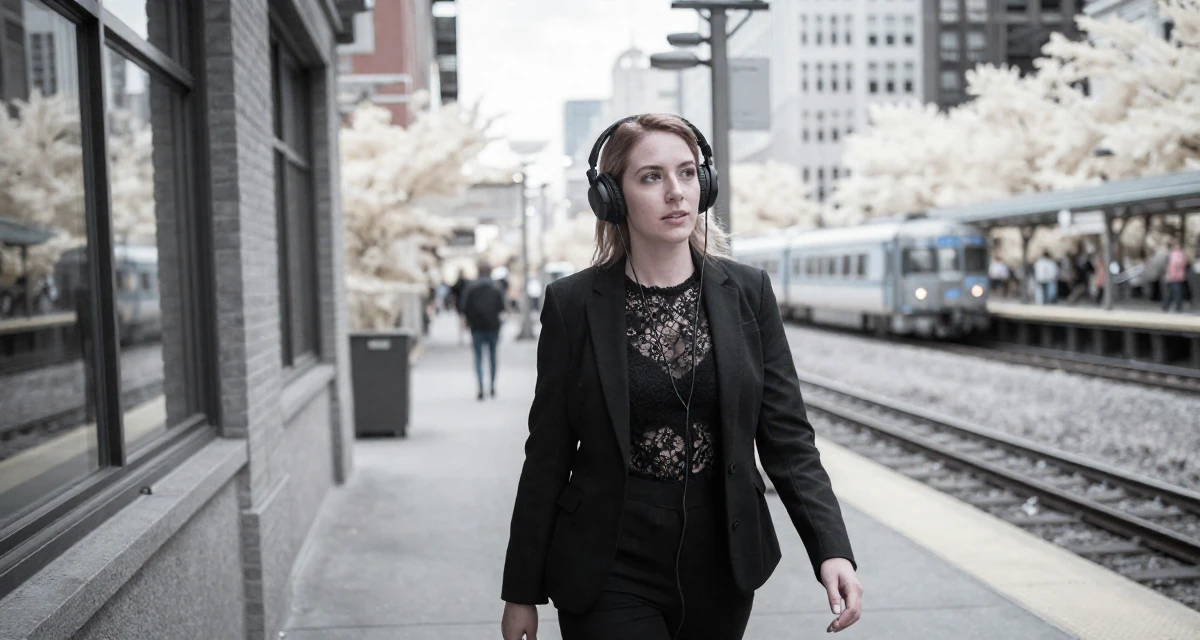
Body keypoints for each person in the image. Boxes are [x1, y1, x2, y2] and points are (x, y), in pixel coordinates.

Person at [500, 114, 862, 640]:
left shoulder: (749, 292)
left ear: (705, 184)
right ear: (613, 197)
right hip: (609, 560)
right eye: (651, 177)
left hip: (722, 559)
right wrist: (521, 591)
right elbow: (548, 454)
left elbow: (786, 438)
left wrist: (832, 549)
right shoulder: (572, 305)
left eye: (688, 173)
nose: (675, 192)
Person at [459, 261, 507, 400]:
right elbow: (501, 308)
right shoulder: (496, 287)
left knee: (478, 358)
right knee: (492, 357)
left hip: (476, 327)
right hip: (493, 327)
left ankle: (480, 385)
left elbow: (464, 308)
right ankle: (492, 385)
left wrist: (468, 322)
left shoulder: (471, 288)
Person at [1162, 240, 1189, 313]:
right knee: (1174, 292)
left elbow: (1174, 265)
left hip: (1175, 277)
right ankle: (1173, 307)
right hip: (1176, 277)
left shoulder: (1176, 254)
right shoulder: (1180, 254)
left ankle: (1169, 307)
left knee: (1172, 293)